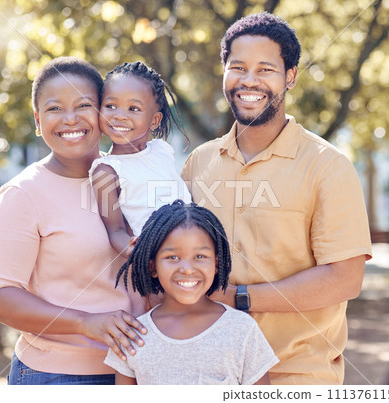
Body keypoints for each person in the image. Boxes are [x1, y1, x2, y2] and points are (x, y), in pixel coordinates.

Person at [181, 12, 372, 385]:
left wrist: (239, 297)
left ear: (291, 76)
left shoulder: (328, 167)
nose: (249, 81)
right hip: (206, 371)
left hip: (295, 376)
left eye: (265, 69)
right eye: (237, 67)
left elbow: (345, 278)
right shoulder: (198, 162)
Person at [0, 56, 148, 385]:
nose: (70, 119)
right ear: (39, 121)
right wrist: (86, 322)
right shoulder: (23, 194)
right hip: (59, 376)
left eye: (83, 105)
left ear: (104, 114)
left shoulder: (138, 176)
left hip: (141, 372)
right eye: (55, 109)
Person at [104, 200, 279, 384]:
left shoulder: (242, 330)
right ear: (153, 266)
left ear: (216, 264)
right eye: (173, 257)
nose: (187, 268)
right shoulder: (132, 336)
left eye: (200, 257)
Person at [89, 61, 191, 258]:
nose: (119, 116)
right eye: (110, 106)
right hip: (157, 254)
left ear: (155, 121)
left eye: (133, 108)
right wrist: (136, 252)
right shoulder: (107, 171)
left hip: (193, 238)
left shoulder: (162, 150)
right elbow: (116, 230)